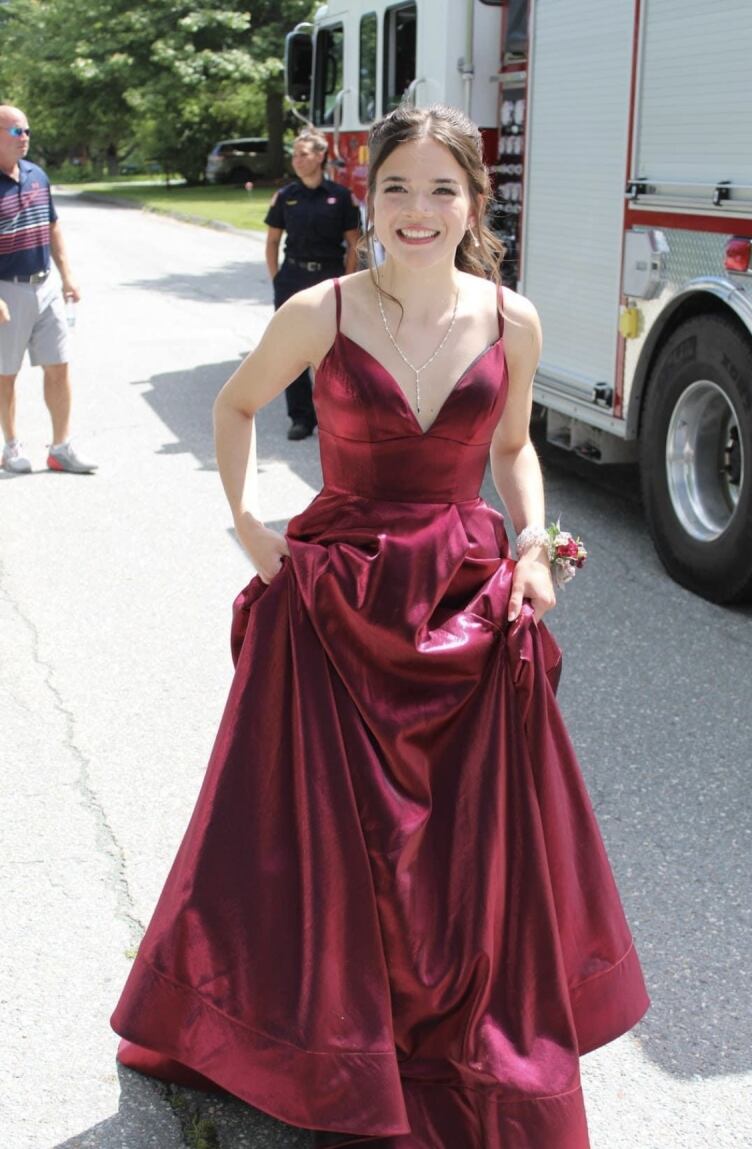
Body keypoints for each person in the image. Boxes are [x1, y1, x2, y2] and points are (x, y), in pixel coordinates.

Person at [112, 104, 649, 1148]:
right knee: (314, 836)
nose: (418, 209)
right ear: (369, 197)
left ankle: (442, 1035)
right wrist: (250, 533)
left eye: (441, 188)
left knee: (460, 842)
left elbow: (510, 450)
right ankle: (324, 1039)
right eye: (396, 186)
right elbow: (233, 407)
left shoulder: (513, 319)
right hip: (338, 600)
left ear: (472, 203)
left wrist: (532, 540)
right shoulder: (321, 311)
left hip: (463, 598)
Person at [0, 104, 96, 474]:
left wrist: (67, 276)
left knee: (59, 366)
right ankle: (11, 445)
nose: (24, 138)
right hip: (6, 290)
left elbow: (52, 225)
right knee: (6, 374)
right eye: (15, 132)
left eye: (26, 131)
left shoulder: (36, 175)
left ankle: (61, 448)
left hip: (45, 286)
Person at [265, 127, 360, 441]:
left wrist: (345, 282)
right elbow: (273, 241)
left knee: (331, 352)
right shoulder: (286, 197)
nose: (297, 160)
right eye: (294, 155)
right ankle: (301, 417)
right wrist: (277, 278)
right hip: (292, 277)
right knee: (293, 349)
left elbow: (353, 243)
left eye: (303, 154)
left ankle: (334, 417)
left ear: (321, 157)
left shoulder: (340, 196)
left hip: (328, 278)